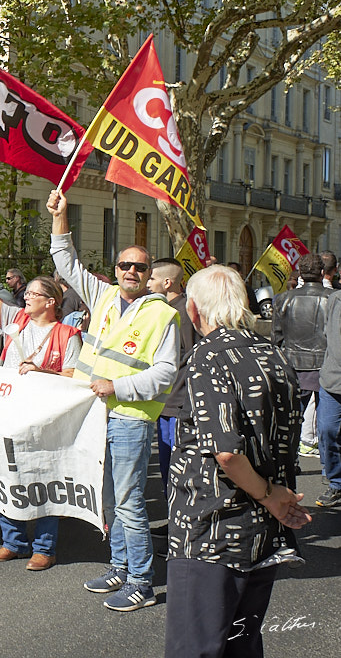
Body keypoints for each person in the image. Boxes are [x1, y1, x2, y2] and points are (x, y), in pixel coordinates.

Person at [164, 264, 311, 658]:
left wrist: (266, 494)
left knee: (196, 646)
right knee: (241, 643)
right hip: (262, 531)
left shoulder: (207, 355)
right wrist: (273, 497)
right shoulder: (275, 355)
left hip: (211, 527)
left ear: (193, 310)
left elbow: (226, 451)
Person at [48, 188, 179, 612]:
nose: (130, 272)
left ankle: (141, 580)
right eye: (124, 265)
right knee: (108, 500)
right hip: (95, 417)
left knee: (130, 502)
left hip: (130, 419)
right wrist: (60, 216)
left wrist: (118, 387)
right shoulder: (103, 296)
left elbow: (166, 372)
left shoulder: (163, 314)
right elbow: (65, 262)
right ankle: (120, 566)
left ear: (149, 275)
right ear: (116, 269)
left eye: (139, 267)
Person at [0, 244, 82, 570]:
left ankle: (45, 547)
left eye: (33, 293)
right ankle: (13, 541)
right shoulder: (16, 319)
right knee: (8, 478)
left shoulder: (66, 334)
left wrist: (43, 372)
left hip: (45, 418)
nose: (26, 296)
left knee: (44, 479)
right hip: (11, 411)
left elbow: (73, 375)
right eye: (26, 292)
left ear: (51, 302)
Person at [271, 253, 332, 458]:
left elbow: (276, 338)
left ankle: (291, 459)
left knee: (292, 418)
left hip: (293, 364)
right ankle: (328, 467)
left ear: (300, 275)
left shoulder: (283, 299)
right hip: (327, 364)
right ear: (322, 273)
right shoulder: (332, 299)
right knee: (327, 419)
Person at [147, 258, 197, 493]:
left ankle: (179, 520)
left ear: (167, 282)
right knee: (166, 463)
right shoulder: (158, 309)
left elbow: (191, 355)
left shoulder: (184, 312)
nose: (147, 282)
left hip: (178, 400)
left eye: (152, 278)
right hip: (163, 400)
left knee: (177, 464)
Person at [315, 282, 341, 508]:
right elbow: (326, 334)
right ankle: (336, 483)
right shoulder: (335, 300)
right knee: (327, 430)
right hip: (333, 380)